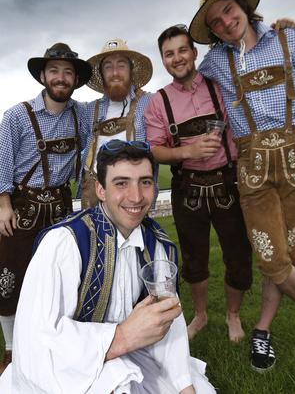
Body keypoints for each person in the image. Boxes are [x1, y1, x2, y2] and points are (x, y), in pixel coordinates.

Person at [0, 140, 216, 394]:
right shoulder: (64, 243)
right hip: (67, 368)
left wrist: (183, 385)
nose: (136, 197)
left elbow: (169, 321)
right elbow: (36, 341)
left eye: (145, 182)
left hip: (134, 356)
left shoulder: (157, 246)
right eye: (121, 183)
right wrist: (121, 337)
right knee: (117, 383)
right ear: (101, 190)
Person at [189, 0, 295, 372]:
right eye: (215, 22)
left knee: (289, 253)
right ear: (211, 32)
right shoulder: (213, 62)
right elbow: (183, 77)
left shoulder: (290, 39)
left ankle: (261, 331)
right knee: (271, 257)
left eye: (228, 10)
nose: (226, 22)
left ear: (243, 6)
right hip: (252, 165)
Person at [145, 25, 253, 343]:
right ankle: (201, 314)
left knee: (238, 255)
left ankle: (232, 315)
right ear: (164, 60)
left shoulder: (220, 87)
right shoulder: (158, 102)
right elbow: (154, 149)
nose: (177, 58)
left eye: (182, 50)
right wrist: (189, 151)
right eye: (169, 54)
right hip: (187, 187)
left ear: (193, 53)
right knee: (193, 258)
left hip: (226, 182)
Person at [0, 43, 92, 375]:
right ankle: (12, 348)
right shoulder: (15, 115)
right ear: (43, 75)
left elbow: (114, 111)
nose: (61, 77)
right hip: (22, 206)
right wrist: (3, 204)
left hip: (62, 206)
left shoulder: (82, 113)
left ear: (76, 79)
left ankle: (52, 337)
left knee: (61, 275)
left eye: (68, 72)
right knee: (9, 276)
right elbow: (2, 164)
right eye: (54, 70)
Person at [80, 39, 153, 209]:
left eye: (121, 65)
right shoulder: (90, 110)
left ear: (131, 71)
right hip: (94, 196)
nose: (115, 73)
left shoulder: (150, 102)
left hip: (133, 195)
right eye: (108, 67)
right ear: (102, 74)